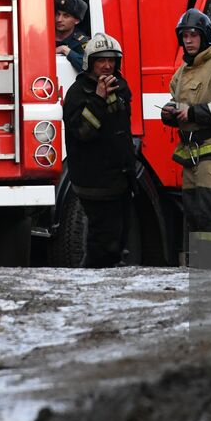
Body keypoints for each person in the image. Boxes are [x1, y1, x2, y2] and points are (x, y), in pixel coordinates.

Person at [161, 9, 211, 258]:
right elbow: (177, 101)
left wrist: (194, 113)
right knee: (195, 213)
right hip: (192, 156)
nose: (188, 40)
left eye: (193, 35)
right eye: (184, 35)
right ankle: (202, 269)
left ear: (205, 35)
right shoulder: (183, 72)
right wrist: (169, 112)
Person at [61, 33, 136, 268]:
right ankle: (91, 282)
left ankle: (110, 280)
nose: (107, 65)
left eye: (111, 60)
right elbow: (83, 132)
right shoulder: (78, 93)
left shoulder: (120, 87)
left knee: (119, 239)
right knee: (102, 243)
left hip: (120, 179)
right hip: (95, 182)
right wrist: (99, 99)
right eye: (101, 60)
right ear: (90, 63)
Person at [54, 0, 89, 73]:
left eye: (66, 16)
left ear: (77, 20)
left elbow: (88, 67)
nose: (59, 19)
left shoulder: (82, 40)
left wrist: (65, 50)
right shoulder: (44, 35)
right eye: (58, 14)